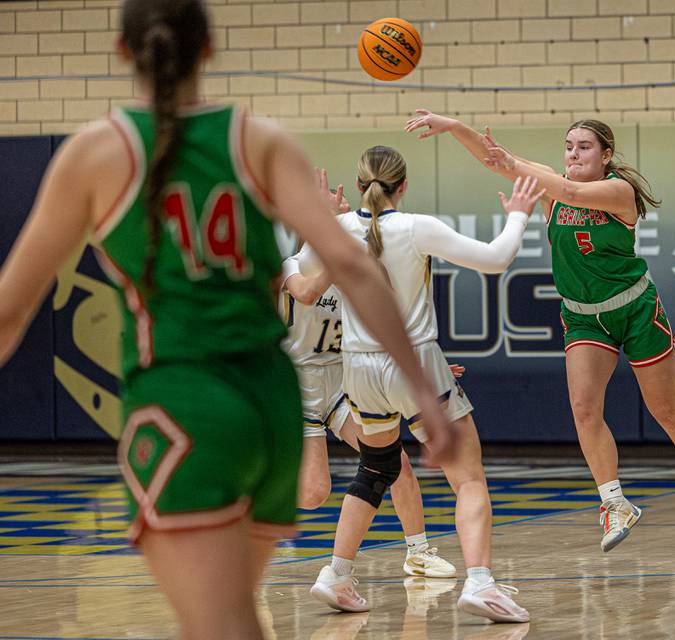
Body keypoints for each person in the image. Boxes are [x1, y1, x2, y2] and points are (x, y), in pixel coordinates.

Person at [0, 1, 457, 638]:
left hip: (183, 404)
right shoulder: (260, 141)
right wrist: (428, 400)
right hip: (269, 408)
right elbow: (354, 268)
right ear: (211, 49)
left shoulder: (96, 153)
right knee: (230, 617)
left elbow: (9, 310)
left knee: (216, 624)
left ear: (121, 51)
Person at [405, 110, 675, 553]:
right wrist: (454, 126)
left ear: (606, 155)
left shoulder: (619, 191)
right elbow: (497, 160)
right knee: (582, 409)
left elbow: (569, 189)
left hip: (634, 308)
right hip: (582, 315)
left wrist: (514, 164)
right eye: (569, 145)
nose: (573, 153)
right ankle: (613, 503)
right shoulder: (551, 186)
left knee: (666, 411)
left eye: (584, 146)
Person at [294, 145, 544, 623]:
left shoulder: (339, 227)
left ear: (360, 182)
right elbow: (495, 260)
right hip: (413, 361)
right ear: (403, 186)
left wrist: (322, 220)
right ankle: (480, 584)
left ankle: (335, 574)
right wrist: (517, 215)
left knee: (376, 467)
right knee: (468, 478)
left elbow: (304, 278)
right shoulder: (416, 227)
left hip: (359, 369)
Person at [281, 169, 456, 579]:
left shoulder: (360, 271)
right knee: (312, 493)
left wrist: (426, 363)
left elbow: (385, 325)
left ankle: (418, 551)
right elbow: (306, 293)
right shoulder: (292, 266)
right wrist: (339, 254)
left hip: (344, 380)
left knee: (394, 462)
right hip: (299, 386)